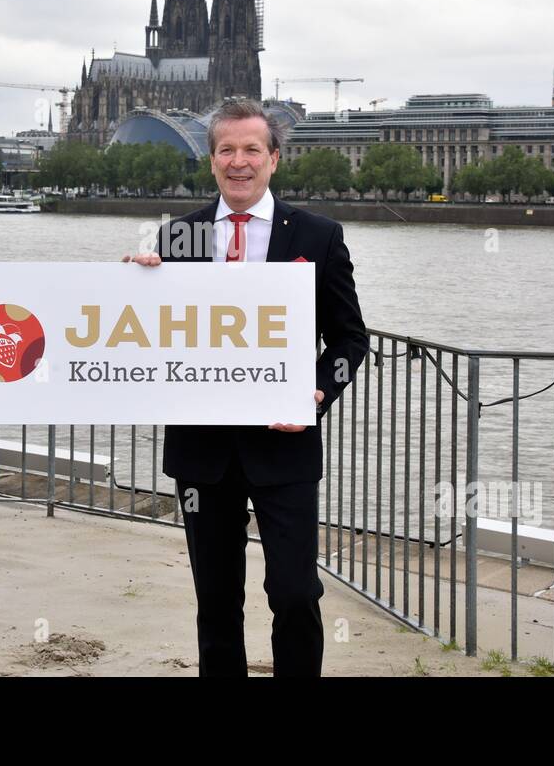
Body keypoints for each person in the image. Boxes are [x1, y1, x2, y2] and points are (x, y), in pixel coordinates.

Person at [124, 98, 368, 676]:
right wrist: (131, 290)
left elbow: (349, 341)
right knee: (216, 601)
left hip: (284, 445)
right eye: (226, 150)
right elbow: (148, 337)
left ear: (274, 159)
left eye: (251, 149)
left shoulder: (320, 235)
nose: (239, 162)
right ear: (210, 161)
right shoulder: (174, 237)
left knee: (294, 593)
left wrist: (318, 393)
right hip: (202, 452)